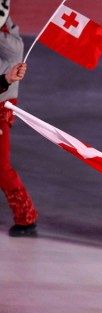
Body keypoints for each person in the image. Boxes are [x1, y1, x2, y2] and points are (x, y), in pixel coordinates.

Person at [0, 14, 38, 237]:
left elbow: (16, 52)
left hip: (1, 106)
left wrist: (5, 79)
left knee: (2, 167)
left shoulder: (9, 35)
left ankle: (26, 217)